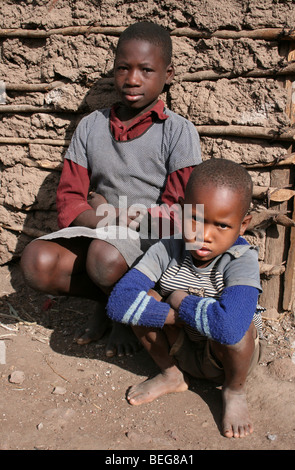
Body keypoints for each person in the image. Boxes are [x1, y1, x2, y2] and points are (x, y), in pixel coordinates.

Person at [20, 22, 202, 357]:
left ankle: (122, 315)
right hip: (101, 236)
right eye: (123, 68)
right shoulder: (91, 126)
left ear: (168, 74)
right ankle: (108, 302)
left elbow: (177, 212)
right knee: (36, 261)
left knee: (105, 257)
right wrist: (106, 221)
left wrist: (110, 215)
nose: (132, 79)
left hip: (152, 246)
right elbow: (68, 202)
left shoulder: (177, 132)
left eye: (146, 70)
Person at [106, 158, 265, 439]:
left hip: (225, 360)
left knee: (240, 329)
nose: (204, 235)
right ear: (181, 212)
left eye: (222, 226)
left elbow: (228, 328)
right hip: (180, 348)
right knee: (148, 296)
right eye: (196, 219)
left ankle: (234, 390)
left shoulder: (241, 260)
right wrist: (175, 313)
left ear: (243, 226)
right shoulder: (166, 249)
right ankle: (171, 374)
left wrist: (179, 299)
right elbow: (120, 302)